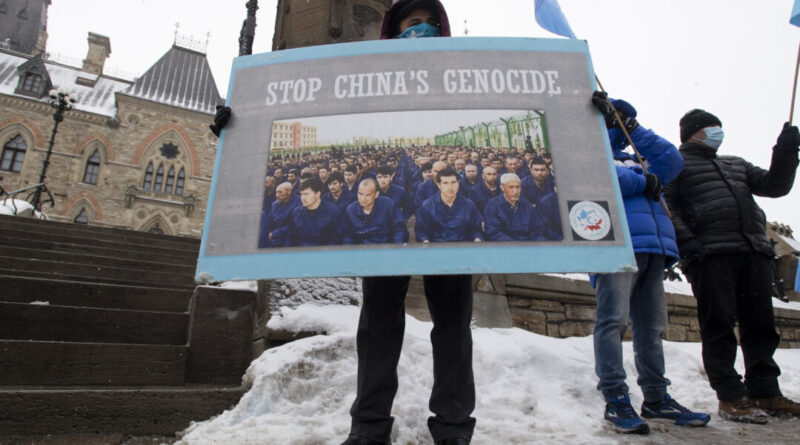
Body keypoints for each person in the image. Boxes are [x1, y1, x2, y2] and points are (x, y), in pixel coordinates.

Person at [343, 2, 476, 444]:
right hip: (388, 222)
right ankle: (369, 425)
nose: (421, 31)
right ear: (393, 33)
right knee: (378, 322)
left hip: (448, 219)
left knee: (454, 324)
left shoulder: (464, 77)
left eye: (429, 24)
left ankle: (454, 427)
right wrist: (241, 123)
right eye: (411, 24)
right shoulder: (371, 86)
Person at [664, 109, 800, 423]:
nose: (718, 132)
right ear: (693, 133)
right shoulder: (677, 165)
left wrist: (786, 152)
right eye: (711, 128)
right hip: (710, 256)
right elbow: (667, 205)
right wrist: (688, 243)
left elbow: (774, 185)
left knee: (761, 327)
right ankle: (730, 396)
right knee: (719, 327)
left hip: (752, 251)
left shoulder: (735, 164)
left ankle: (765, 390)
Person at [590, 91, 710, 434]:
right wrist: (646, 182)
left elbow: (672, 162)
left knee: (652, 327)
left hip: (653, 248)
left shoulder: (634, 155)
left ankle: (657, 398)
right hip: (613, 246)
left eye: (619, 117)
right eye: (612, 117)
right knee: (612, 321)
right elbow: (602, 179)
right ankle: (615, 398)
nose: (614, 123)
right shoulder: (590, 152)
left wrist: (633, 128)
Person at [415, 167, 484, 244]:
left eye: (453, 182)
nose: (450, 187)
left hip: (463, 246)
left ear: (458, 184)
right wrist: (426, 242)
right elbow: (421, 231)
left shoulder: (469, 205)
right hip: (438, 247)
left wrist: (477, 240)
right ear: (439, 185)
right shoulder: (427, 206)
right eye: (445, 183)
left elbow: (477, 229)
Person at [343, 179, 407, 245]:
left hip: (385, 248)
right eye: (360, 194)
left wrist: (397, 248)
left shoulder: (388, 205)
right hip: (362, 250)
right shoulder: (350, 210)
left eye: (367, 195)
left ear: (376, 194)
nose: (363, 198)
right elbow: (347, 236)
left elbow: (399, 228)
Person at [483, 173, 545, 241]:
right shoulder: (492, 206)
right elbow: (493, 232)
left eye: (518, 187)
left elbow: (537, 230)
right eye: (511, 187)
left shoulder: (528, 206)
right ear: (502, 188)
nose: (515, 191)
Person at [288, 177, 344, 246]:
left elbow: (337, 239)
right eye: (301, 194)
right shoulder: (296, 213)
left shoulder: (333, 212)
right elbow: (291, 238)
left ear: (317, 194)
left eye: (306, 194)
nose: (302, 197)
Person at [259, 182, 300, 248]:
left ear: (289, 192)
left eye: (280, 192)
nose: (277, 195)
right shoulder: (274, 205)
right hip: (275, 237)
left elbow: (294, 226)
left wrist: (274, 233)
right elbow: (269, 221)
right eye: (276, 192)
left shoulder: (298, 203)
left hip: (292, 236)